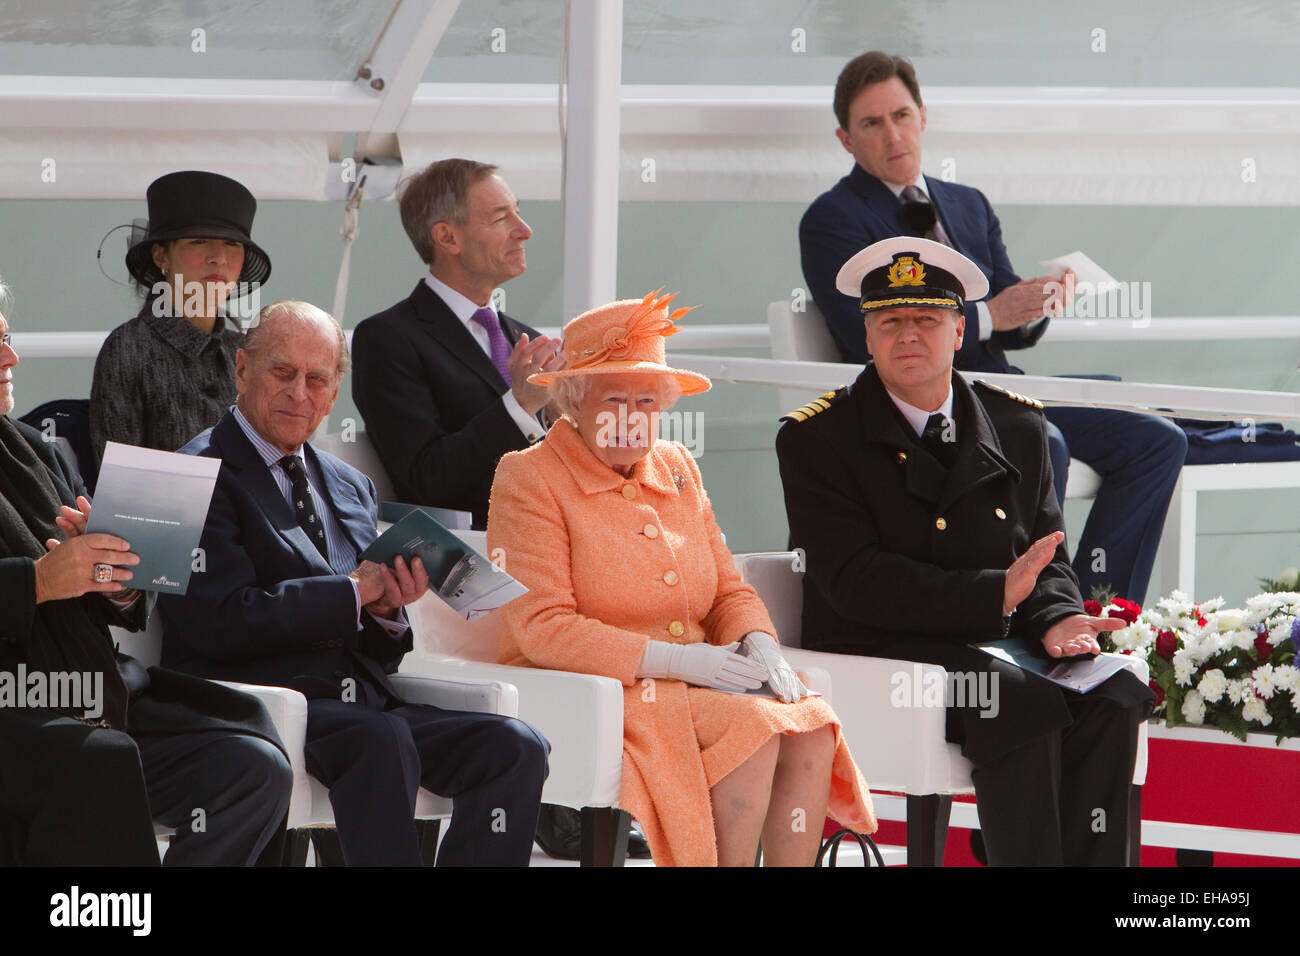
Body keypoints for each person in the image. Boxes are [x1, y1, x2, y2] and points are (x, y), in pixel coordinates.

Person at [776, 238, 1153, 866]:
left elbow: (1047, 553)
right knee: (1016, 696)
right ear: (867, 336)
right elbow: (854, 581)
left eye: (927, 320)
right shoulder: (819, 437)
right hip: (879, 642)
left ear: (958, 333)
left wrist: (1057, 616)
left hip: (990, 633)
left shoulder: (1016, 424)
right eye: (889, 322)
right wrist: (993, 595)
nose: (908, 337)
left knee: (1110, 694)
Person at [487, 289, 876, 867]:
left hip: (699, 683)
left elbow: (727, 591)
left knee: (812, 724)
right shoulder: (529, 476)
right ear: (572, 400)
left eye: (647, 400)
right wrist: (677, 662)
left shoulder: (675, 465)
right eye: (614, 397)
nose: (632, 415)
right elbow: (542, 628)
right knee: (757, 727)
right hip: (604, 690)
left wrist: (760, 643)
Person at [157, 299, 549, 866]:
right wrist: (353, 592)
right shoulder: (191, 474)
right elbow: (215, 623)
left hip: (360, 701)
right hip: (250, 704)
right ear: (241, 370)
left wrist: (389, 609)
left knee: (514, 746)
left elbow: (378, 648)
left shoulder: (349, 484)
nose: (300, 393)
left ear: (333, 394)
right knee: (379, 740)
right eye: (282, 372)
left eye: (317, 379)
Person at [799, 51, 1186, 605]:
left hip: (1003, 390)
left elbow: (1004, 322)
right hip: (925, 407)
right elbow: (855, 328)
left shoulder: (967, 203)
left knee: (1157, 438)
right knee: (1040, 441)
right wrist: (993, 314)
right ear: (846, 139)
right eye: (872, 123)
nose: (892, 134)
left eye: (902, 115)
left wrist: (1035, 304)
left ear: (923, 116)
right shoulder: (832, 218)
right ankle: (1026, 618)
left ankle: (1101, 610)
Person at [0, 278, 292, 866]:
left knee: (252, 765)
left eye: (6, 337)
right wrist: (39, 581)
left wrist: (117, 577)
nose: (12, 357)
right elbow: (46, 578)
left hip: (96, 688)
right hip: (17, 702)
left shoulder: (43, 450)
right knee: (102, 759)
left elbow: (119, 598)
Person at [352, 158, 564, 530]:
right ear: (447, 237)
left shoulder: (524, 338)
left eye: (518, 213)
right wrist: (521, 406)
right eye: (501, 218)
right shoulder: (387, 338)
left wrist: (565, 417)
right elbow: (425, 479)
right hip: (480, 561)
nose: (525, 230)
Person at [90, 170, 271, 466]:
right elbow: (121, 485)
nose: (219, 257)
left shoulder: (245, 350)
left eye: (232, 244)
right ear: (161, 256)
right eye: (199, 241)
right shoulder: (128, 349)